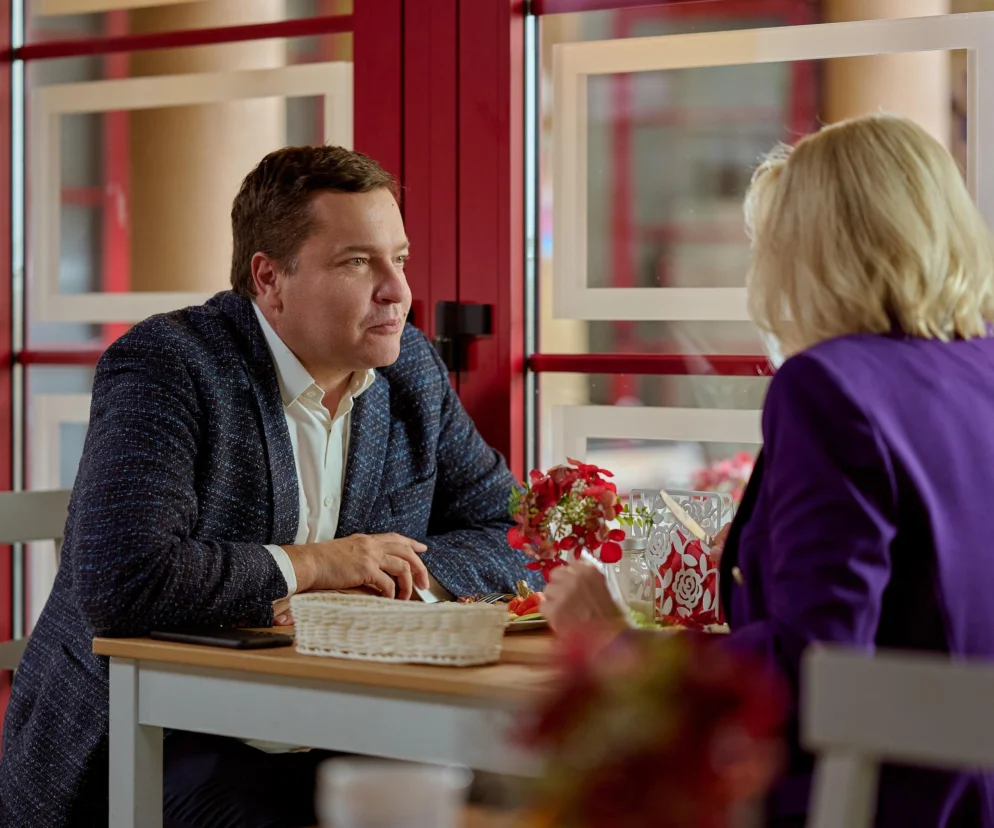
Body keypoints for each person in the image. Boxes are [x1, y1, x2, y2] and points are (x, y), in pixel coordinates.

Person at [0, 145, 541, 828]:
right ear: (269, 278)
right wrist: (318, 565)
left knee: (537, 791)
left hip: (345, 724)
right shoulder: (170, 365)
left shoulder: (412, 371)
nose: (398, 291)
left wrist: (389, 581)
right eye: (357, 262)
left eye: (399, 259)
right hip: (154, 739)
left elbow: (516, 532)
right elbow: (123, 581)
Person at [542, 114, 994, 827]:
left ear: (807, 252)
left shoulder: (829, 386)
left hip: (877, 798)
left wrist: (622, 646)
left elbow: (815, 666)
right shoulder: (979, 366)